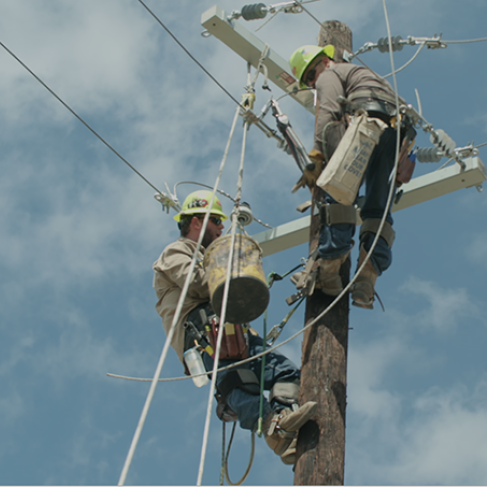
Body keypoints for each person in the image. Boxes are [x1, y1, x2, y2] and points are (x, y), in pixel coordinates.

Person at [152, 190, 316, 465]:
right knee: (237, 384)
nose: (221, 228)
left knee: (286, 372)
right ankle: (273, 430)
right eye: (216, 221)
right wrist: (230, 261)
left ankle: (286, 422)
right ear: (197, 222)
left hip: (233, 331)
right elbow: (200, 284)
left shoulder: (209, 254)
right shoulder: (176, 252)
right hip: (204, 336)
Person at [289, 44, 415, 308]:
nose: (314, 83)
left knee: (340, 192)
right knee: (378, 211)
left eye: (311, 76)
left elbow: (329, 110)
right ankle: (365, 282)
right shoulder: (366, 74)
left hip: (366, 125)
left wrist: (317, 157)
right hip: (397, 134)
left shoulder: (330, 74)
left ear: (324, 62)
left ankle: (329, 273)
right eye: (310, 81)